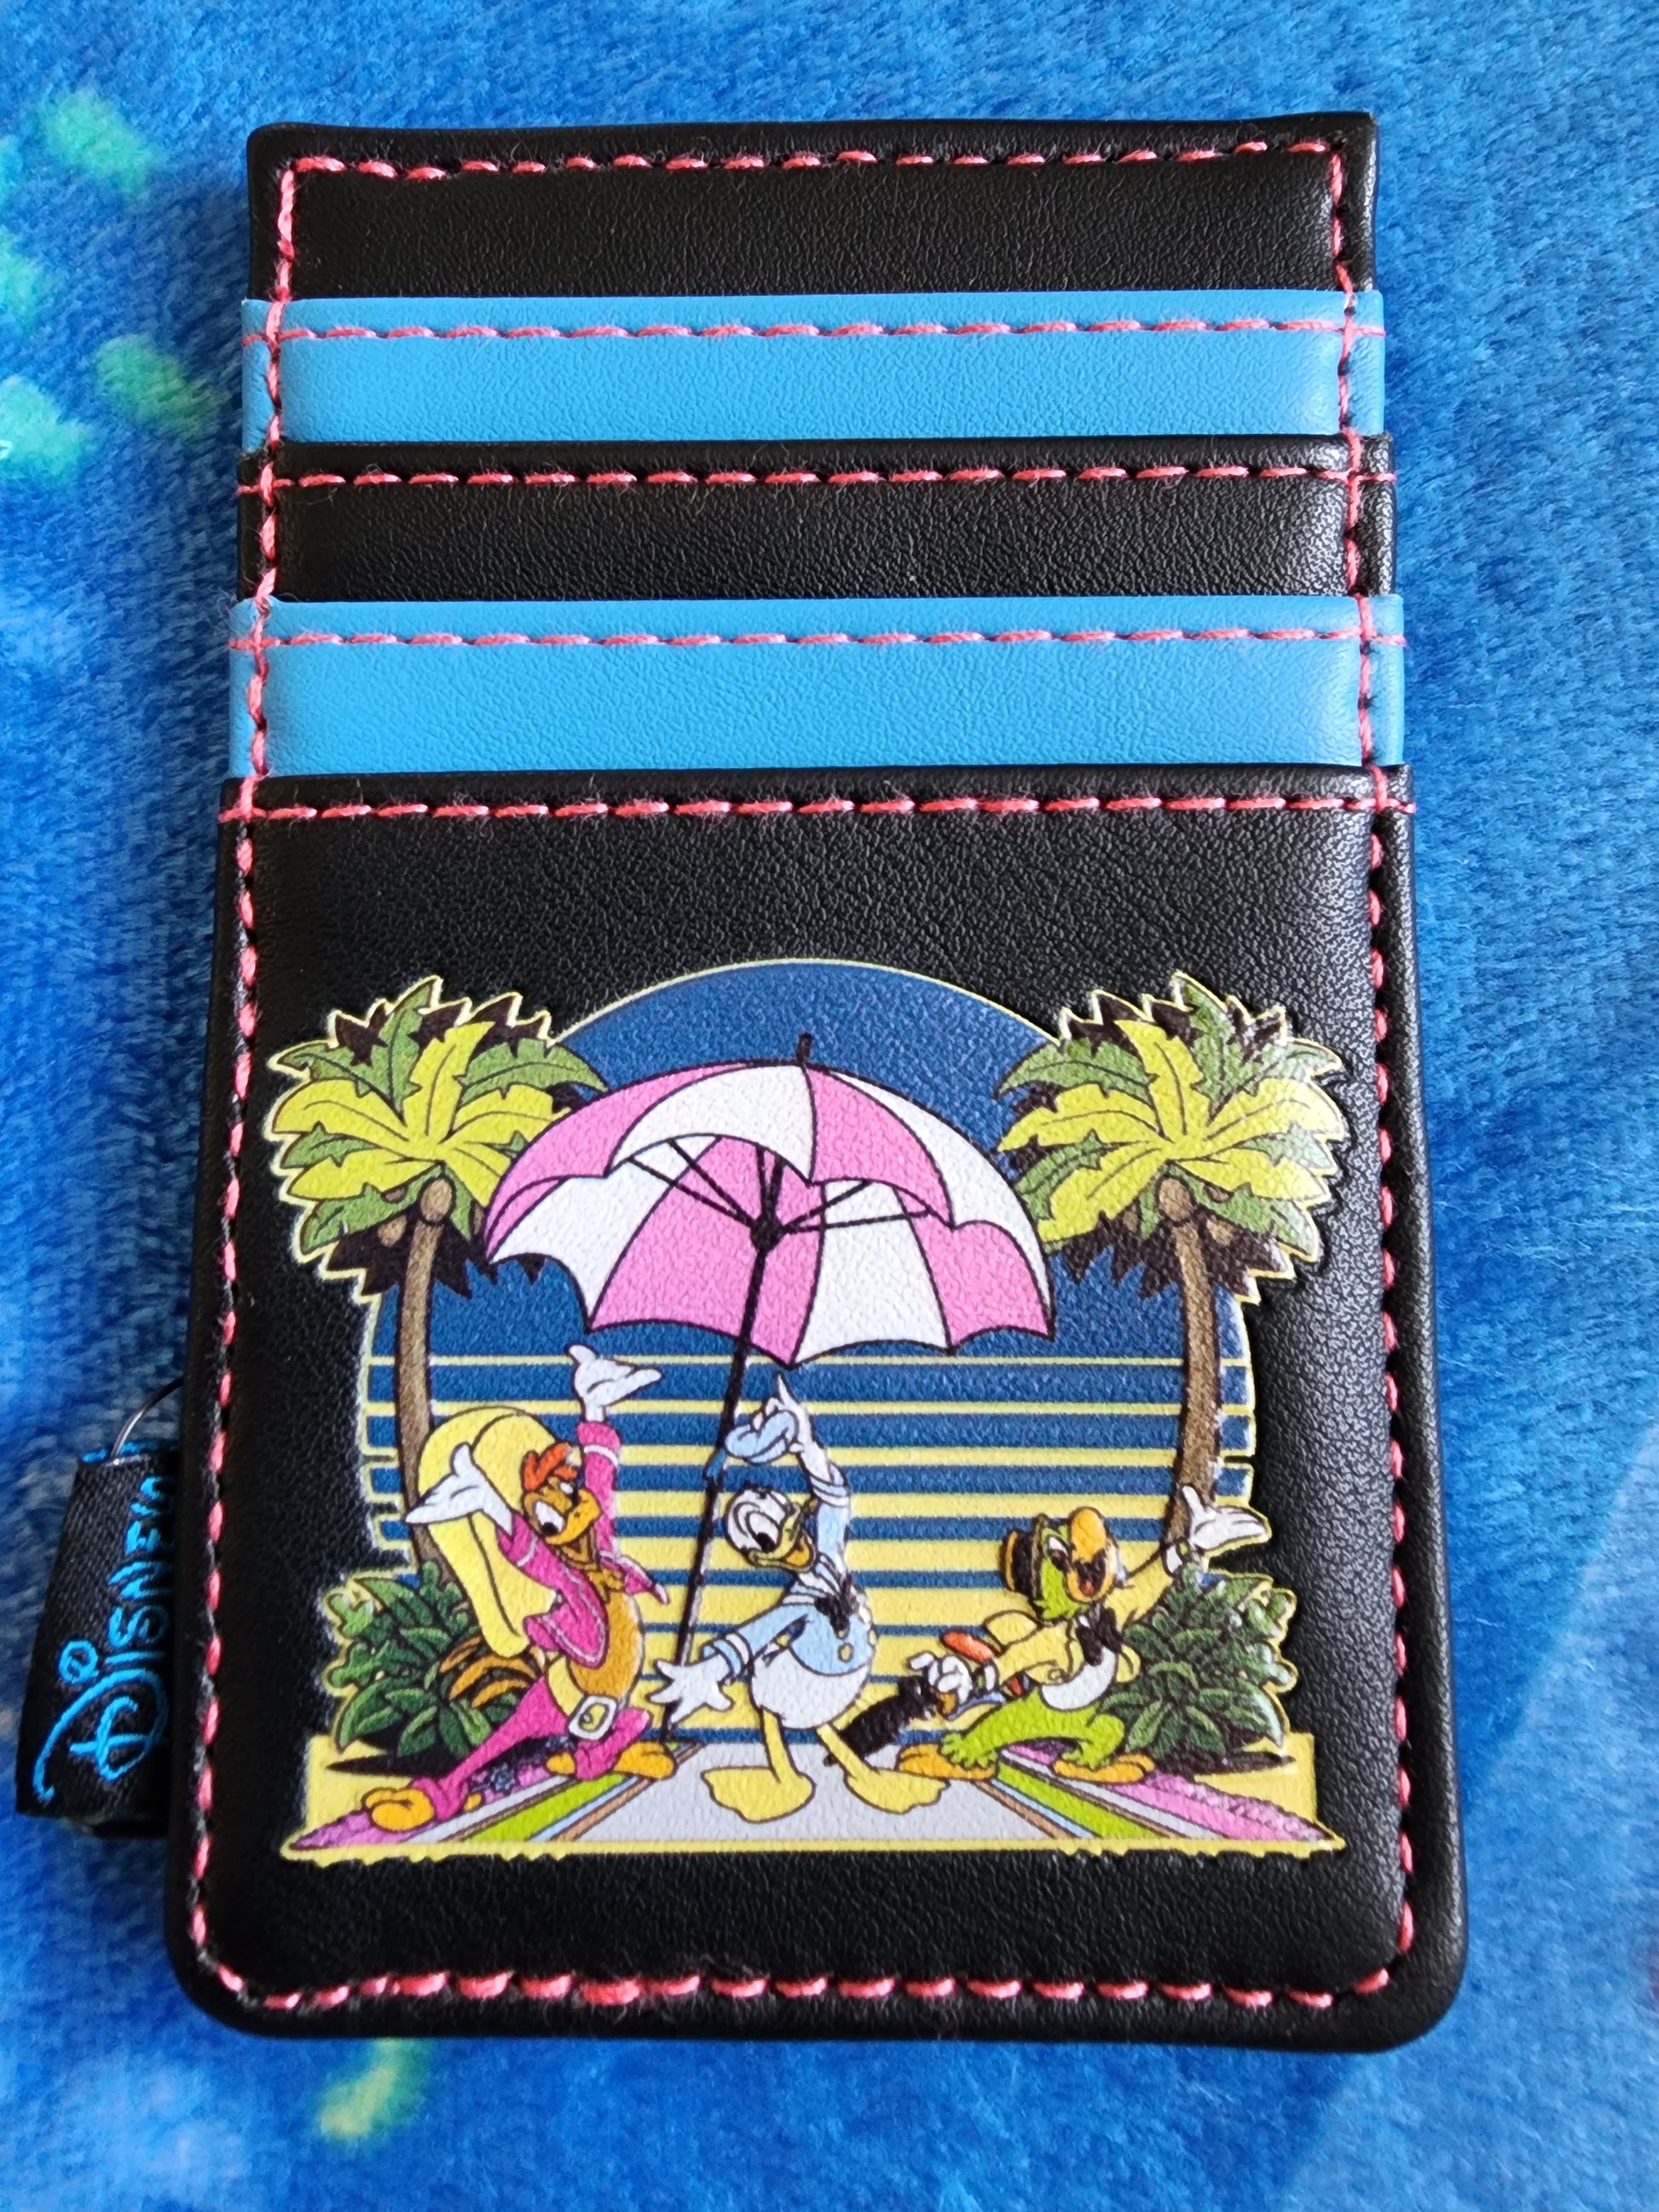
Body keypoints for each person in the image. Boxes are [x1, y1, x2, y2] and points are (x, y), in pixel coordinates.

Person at [359, 1344, 671, 1834]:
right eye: (552, 1518)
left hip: (605, 1692)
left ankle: (595, 1756)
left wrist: (594, 1408)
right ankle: (440, 1794)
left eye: (568, 1496)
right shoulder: (566, 1573)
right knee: (503, 1740)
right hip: (570, 1690)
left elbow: (600, 1485)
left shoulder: (602, 1550)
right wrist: (489, 1502)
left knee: (630, 1722)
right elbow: (532, 1555)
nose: (573, 1509)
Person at [650, 1377, 945, 1824]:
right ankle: (783, 1775)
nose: (795, 1541)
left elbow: (835, 1498)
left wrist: (805, 1446)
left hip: (846, 1676)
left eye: (792, 1522)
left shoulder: (829, 1553)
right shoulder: (797, 1603)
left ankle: (859, 1772)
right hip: (802, 1674)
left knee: (819, 1716)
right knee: (773, 1699)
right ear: (761, 1559)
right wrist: (705, 1674)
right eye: (778, 1541)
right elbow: (749, 1640)